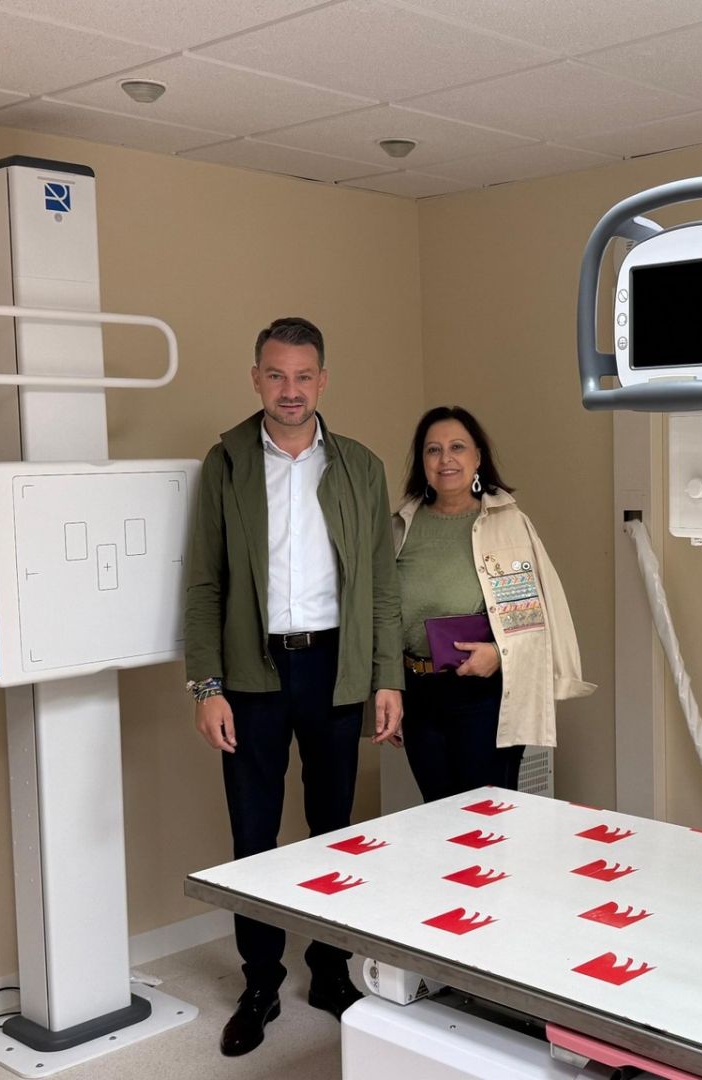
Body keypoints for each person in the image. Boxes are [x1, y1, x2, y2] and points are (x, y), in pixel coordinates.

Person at [183, 316, 404, 1057]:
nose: (290, 390)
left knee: (336, 831)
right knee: (253, 837)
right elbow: (204, 583)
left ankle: (331, 969)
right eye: (275, 375)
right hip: (253, 672)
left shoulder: (360, 468)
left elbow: (380, 588)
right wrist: (206, 686)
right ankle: (260, 980)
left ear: (323, 380)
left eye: (303, 375)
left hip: (337, 668)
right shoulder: (227, 464)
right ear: (256, 379)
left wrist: (385, 678)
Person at [393, 406, 594, 801]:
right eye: (433, 450)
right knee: (437, 818)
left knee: (489, 822)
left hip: (483, 696)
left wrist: (499, 654)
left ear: (478, 457)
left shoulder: (504, 524)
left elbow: (530, 619)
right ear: (422, 461)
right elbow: (381, 612)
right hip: (417, 694)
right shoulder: (401, 526)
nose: (445, 459)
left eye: (457, 447)